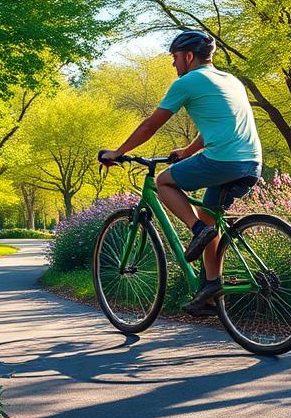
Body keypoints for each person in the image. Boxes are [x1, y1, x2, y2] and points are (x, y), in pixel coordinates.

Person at [100, 31, 263, 316]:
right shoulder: (231, 80)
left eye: (175, 58)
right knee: (209, 216)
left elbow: (151, 125)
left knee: (164, 181)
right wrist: (188, 151)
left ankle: (197, 231)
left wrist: (117, 151)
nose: (174, 65)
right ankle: (211, 288)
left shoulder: (187, 82)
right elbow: (220, 123)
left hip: (223, 161)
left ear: (188, 56)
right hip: (250, 163)